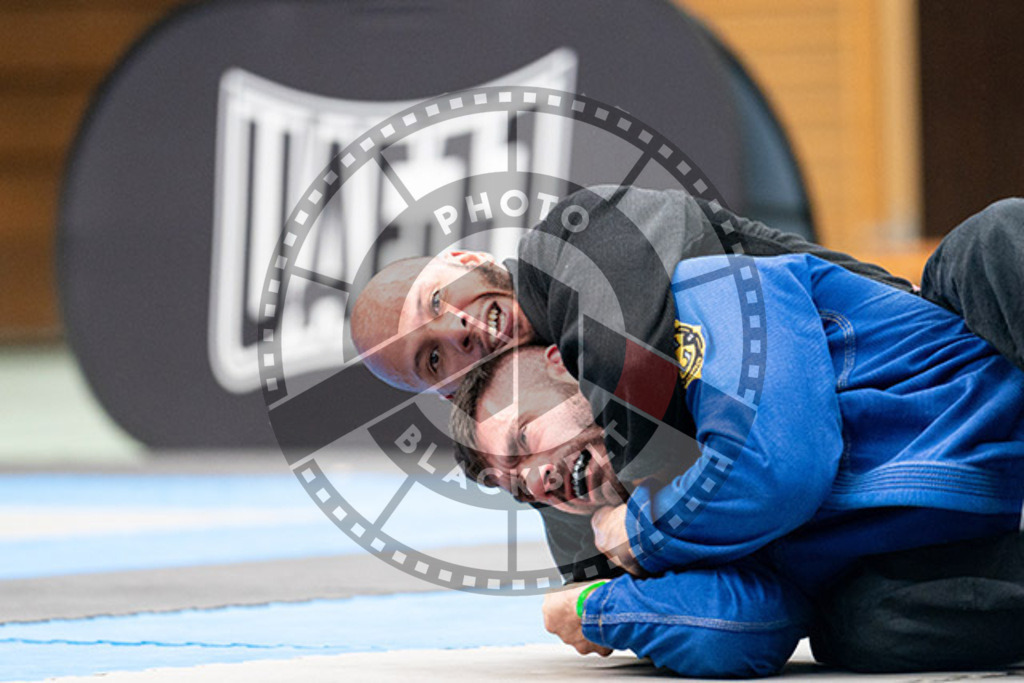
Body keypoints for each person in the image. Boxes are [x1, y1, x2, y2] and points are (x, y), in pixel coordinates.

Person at [447, 240, 1024, 674]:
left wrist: (645, 532)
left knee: (994, 240)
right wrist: (605, 607)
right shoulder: (675, 522)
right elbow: (744, 628)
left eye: (523, 441)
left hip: (1007, 387)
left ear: (561, 364)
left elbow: (782, 469)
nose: (539, 479)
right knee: (858, 628)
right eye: (519, 488)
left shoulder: (712, 295)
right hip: (989, 533)